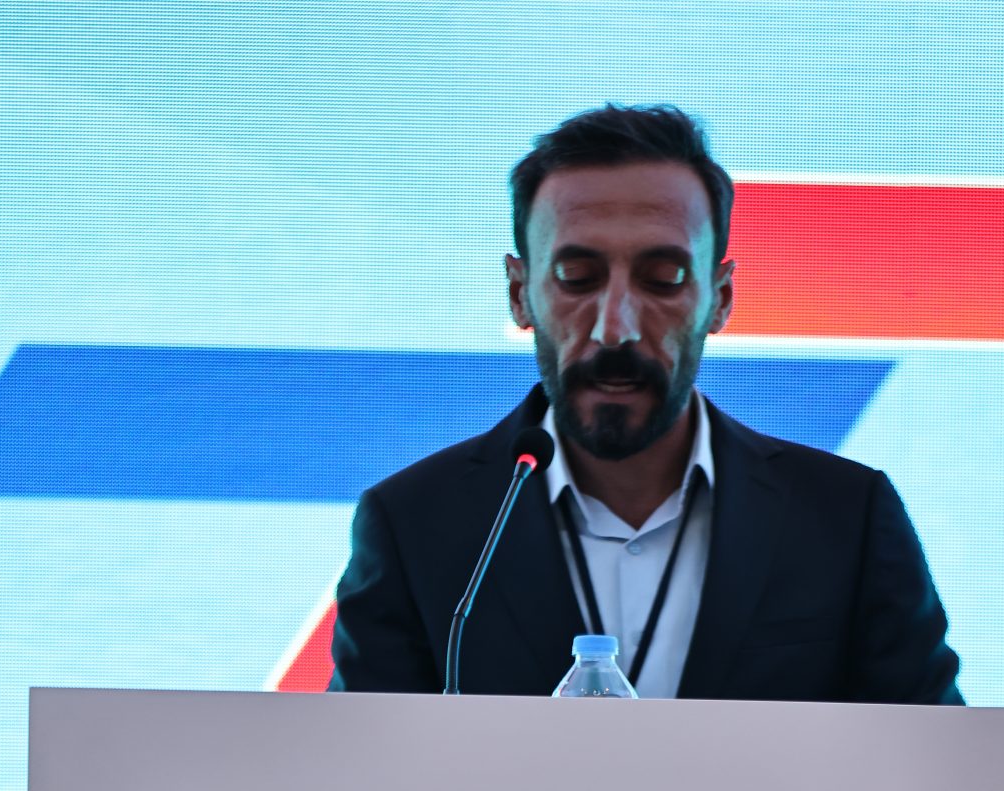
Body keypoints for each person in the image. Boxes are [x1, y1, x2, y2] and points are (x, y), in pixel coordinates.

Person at [329, 103, 961, 702]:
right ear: (520, 294)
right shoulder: (414, 524)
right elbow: (355, 766)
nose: (616, 328)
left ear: (720, 298)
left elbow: (937, 763)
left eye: (664, 279)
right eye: (577, 278)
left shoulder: (845, 520)